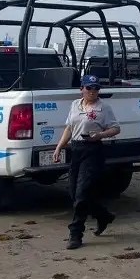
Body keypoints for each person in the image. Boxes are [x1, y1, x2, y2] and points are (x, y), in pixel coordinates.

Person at [53, 74, 120, 250]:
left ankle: (75, 233)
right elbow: (69, 127)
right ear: (81, 89)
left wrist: (100, 135)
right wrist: (59, 147)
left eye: (96, 88)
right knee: (74, 193)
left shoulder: (104, 108)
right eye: (89, 88)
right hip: (76, 149)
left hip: (93, 150)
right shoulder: (75, 104)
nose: (92, 91)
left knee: (82, 193)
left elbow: (115, 128)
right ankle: (103, 215)